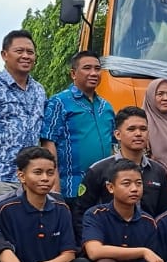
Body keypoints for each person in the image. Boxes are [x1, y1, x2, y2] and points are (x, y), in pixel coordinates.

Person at [0, 30, 48, 196]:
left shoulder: (39, 90)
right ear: (5, 55)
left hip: (32, 179)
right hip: (1, 178)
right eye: (19, 51)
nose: (26, 56)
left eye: (30, 52)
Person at [38, 50, 114, 199]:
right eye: (87, 68)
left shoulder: (106, 107)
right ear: (73, 74)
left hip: (104, 188)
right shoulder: (59, 102)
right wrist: (54, 185)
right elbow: (48, 143)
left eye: (97, 69)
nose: (93, 73)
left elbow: (113, 145)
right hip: (72, 187)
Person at [76, 107, 167, 220]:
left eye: (143, 129)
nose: (138, 134)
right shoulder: (99, 170)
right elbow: (81, 213)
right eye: (131, 129)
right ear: (117, 134)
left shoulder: (158, 171)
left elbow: (164, 214)